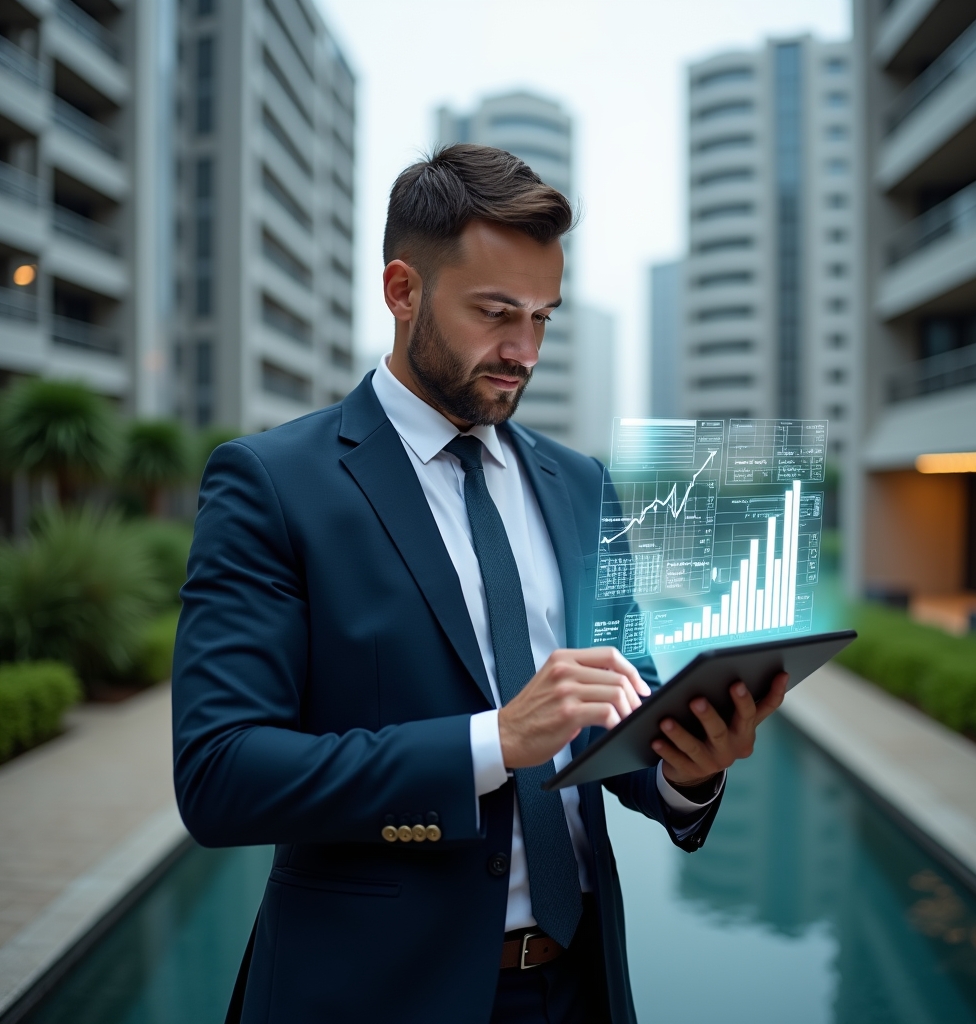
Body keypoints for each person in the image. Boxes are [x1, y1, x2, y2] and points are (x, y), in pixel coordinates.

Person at [172, 144, 787, 1024]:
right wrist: (491, 742)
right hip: (370, 996)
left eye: (543, 317)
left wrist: (690, 768)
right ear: (401, 291)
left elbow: (627, 709)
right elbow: (219, 773)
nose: (523, 350)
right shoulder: (272, 483)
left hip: (579, 988)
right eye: (497, 313)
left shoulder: (582, 485)